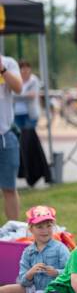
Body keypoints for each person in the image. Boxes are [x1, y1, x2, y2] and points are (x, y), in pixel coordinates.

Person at [0, 206, 69, 293]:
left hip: (56, 289)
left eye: (49, 226)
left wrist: (56, 272)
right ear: (31, 229)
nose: (45, 230)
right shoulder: (28, 252)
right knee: (6, 289)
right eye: (40, 227)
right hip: (34, 288)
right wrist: (30, 273)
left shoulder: (60, 248)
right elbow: (22, 281)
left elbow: (71, 273)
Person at [0, 55, 22, 220]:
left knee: (9, 187)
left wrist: (3, 70)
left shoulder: (8, 63)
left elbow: (18, 88)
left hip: (5, 136)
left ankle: (13, 230)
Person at [13, 61, 40, 130]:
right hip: (17, 114)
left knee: (28, 136)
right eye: (22, 68)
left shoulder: (34, 80)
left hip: (30, 114)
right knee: (19, 136)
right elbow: (12, 96)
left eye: (27, 68)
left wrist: (18, 95)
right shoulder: (15, 80)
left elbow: (32, 96)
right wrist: (25, 95)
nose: (25, 70)